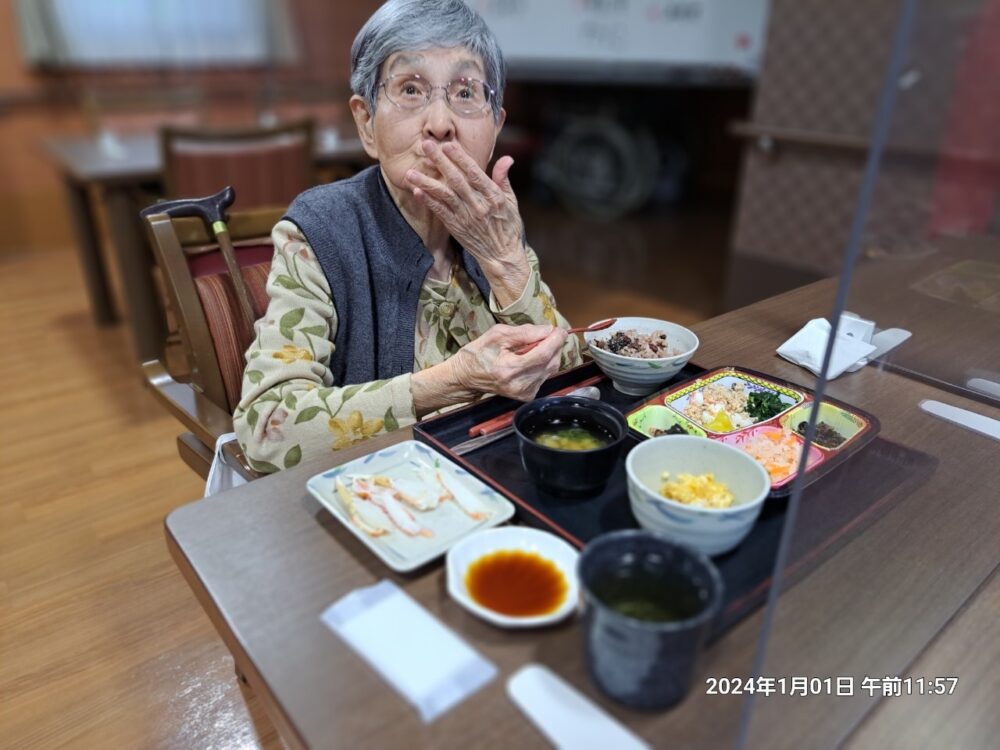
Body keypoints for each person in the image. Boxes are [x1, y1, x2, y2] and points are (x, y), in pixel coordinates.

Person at [233, 0, 583, 473]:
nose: (441, 123)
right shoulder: (322, 231)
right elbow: (266, 426)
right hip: (382, 499)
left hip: (498, 477)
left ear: (495, 126)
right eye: (411, 89)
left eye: (465, 92)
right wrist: (448, 382)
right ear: (366, 123)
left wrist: (506, 261)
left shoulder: (492, 218)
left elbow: (567, 373)